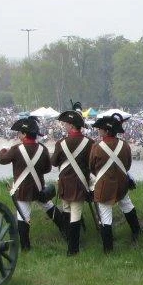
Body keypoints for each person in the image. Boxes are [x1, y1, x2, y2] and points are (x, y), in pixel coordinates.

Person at [89, 113, 141, 253]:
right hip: (122, 184)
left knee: (106, 216)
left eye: (100, 129)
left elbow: (92, 167)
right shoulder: (124, 145)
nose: (98, 130)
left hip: (104, 186)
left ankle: (108, 248)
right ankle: (137, 232)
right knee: (127, 206)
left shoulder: (96, 147)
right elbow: (127, 165)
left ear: (106, 131)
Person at [0, 116, 53, 251]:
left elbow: (2, 160)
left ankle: (25, 246)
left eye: (19, 132)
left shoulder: (16, 149)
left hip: (22, 189)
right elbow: (47, 169)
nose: (18, 135)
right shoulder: (43, 149)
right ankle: (67, 232)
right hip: (39, 187)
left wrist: (3, 149)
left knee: (23, 217)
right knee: (49, 207)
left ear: (24, 134)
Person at [52, 104, 93, 255]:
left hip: (65, 183)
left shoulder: (61, 143)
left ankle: (71, 245)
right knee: (75, 214)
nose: (64, 126)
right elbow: (91, 163)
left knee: (67, 211)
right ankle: (73, 249)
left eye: (66, 124)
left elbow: (54, 162)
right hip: (80, 184)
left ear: (71, 125)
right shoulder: (89, 142)